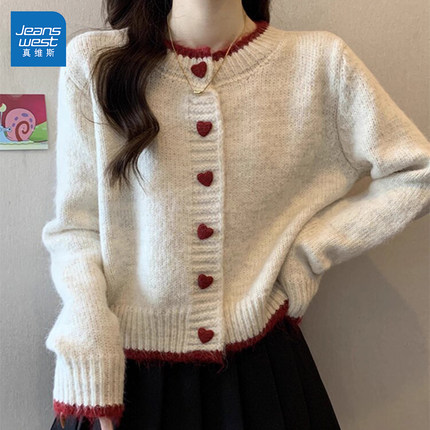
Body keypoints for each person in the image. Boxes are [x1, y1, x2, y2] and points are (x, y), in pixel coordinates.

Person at [44, 0, 430, 429]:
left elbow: (418, 172)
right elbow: (76, 229)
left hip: (262, 372)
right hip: (121, 379)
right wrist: (89, 347)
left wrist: (307, 253)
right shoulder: (94, 63)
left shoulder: (319, 64)